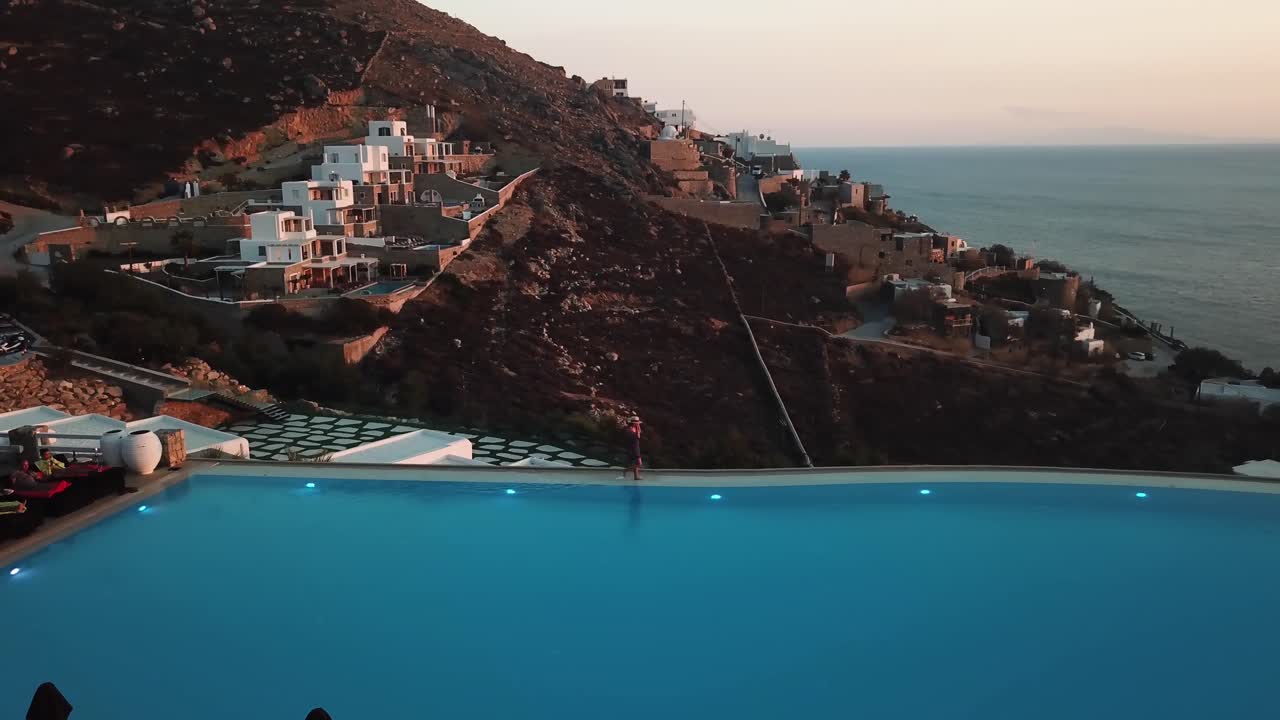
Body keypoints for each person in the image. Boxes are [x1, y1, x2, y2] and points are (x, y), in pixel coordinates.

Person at [624, 415, 643, 481]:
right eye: (637, 423)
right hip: (633, 447)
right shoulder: (629, 430)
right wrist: (637, 427)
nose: (638, 424)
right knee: (639, 463)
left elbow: (639, 432)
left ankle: (636, 476)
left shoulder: (635, 428)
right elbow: (638, 437)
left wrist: (638, 427)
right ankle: (626, 470)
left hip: (636, 446)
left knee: (636, 463)